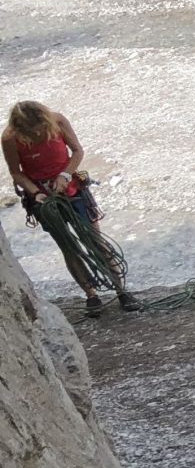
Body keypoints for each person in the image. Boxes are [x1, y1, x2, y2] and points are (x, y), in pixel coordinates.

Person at [3, 101, 140, 315]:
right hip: (43, 199)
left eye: (40, 128)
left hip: (74, 189)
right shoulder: (10, 138)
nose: (38, 133)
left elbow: (77, 151)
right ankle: (91, 295)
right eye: (33, 131)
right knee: (68, 246)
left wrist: (65, 175)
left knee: (96, 241)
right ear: (21, 128)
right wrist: (35, 192)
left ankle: (122, 291)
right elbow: (16, 172)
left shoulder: (57, 121)